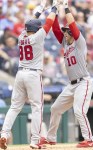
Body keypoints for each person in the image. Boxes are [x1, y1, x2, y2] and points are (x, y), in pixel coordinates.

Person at [38, 0, 93, 148]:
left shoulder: (79, 41)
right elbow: (56, 29)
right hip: (71, 85)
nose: (65, 33)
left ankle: (90, 140)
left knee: (79, 111)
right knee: (55, 109)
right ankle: (51, 138)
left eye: (67, 31)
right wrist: (55, 11)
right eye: (65, 31)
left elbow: (73, 26)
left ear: (73, 33)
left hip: (83, 82)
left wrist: (65, 7)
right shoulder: (65, 42)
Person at [0, 0, 58, 149]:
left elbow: (31, 23)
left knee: (14, 107)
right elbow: (49, 22)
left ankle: (4, 134)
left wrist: (41, 9)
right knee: (37, 107)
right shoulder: (37, 37)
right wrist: (55, 7)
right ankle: (35, 141)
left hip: (20, 75)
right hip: (33, 75)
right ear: (36, 29)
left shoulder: (21, 37)